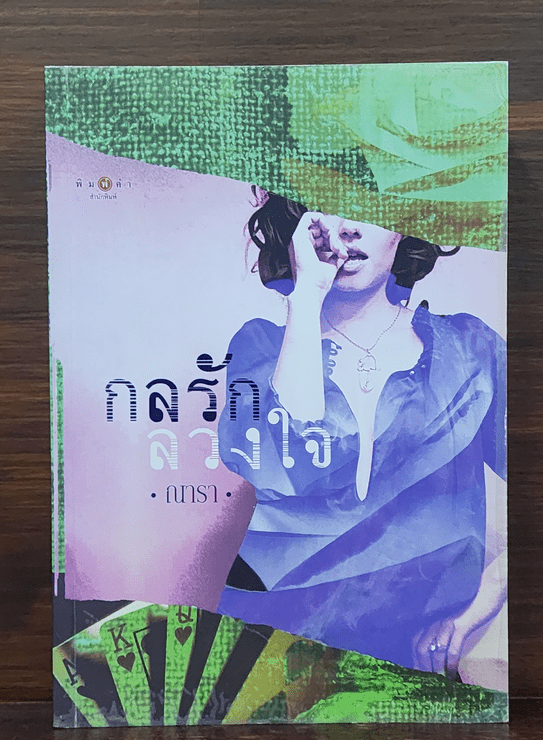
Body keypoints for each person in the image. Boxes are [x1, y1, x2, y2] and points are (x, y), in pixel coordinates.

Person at [217, 190, 507, 678]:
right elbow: (286, 471)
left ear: (406, 222)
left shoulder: (469, 351)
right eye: (327, 201)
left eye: (372, 207)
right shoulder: (259, 349)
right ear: (298, 219)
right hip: (267, 660)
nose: (349, 227)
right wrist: (306, 297)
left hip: (410, 670)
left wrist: (483, 601)